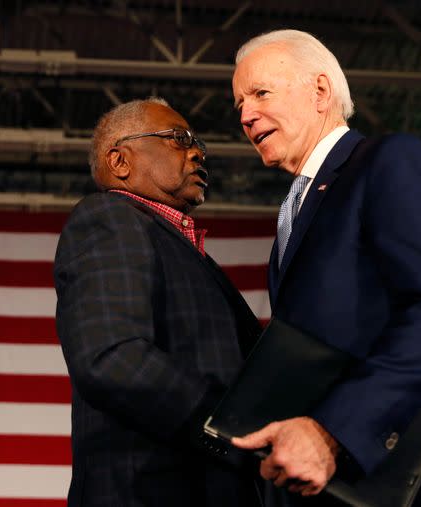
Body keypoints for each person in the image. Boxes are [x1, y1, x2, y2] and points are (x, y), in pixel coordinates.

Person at [230, 29, 421, 506]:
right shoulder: (296, 210)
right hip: (352, 485)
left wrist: (332, 433)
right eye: (239, 103)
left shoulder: (389, 162)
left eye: (260, 93)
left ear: (320, 91)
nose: (245, 115)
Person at [53, 98, 265, 507]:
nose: (197, 151)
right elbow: (113, 357)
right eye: (178, 139)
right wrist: (231, 427)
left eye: (197, 142)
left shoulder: (186, 253)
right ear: (120, 161)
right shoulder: (110, 218)